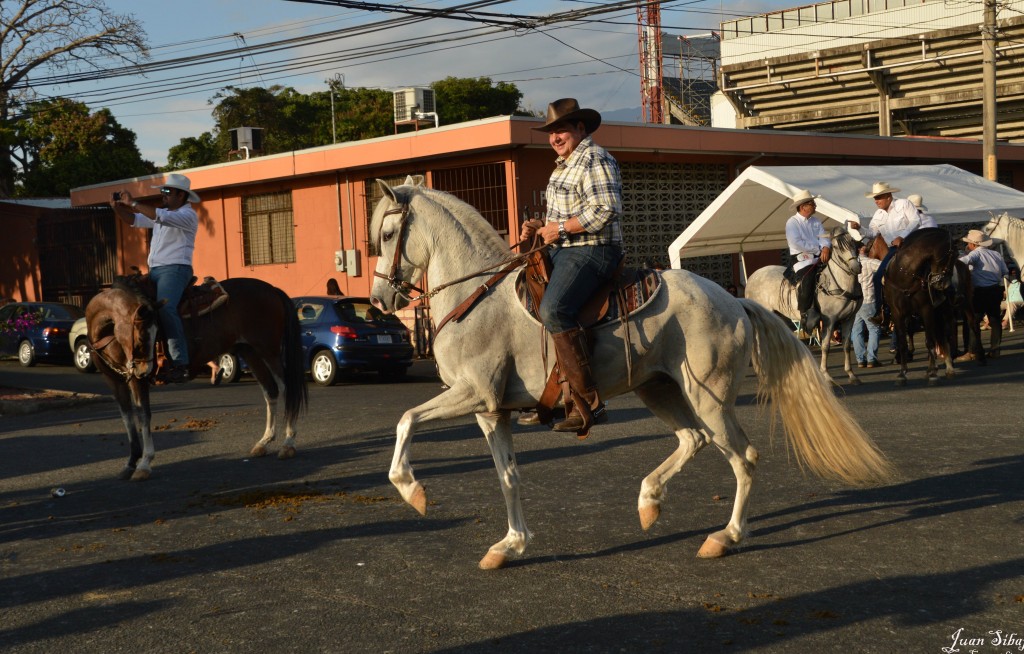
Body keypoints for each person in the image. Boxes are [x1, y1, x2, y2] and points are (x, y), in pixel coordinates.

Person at [519, 98, 624, 434]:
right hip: (565, 249)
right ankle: (549, 398)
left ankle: (588, 403)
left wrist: (559, 229)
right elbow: (559, 220)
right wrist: (539, 227)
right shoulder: (563, 165)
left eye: (561, 129)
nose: (555, 137)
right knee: (525, 298)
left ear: (581, 128)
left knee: (554, 310)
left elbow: (606, 209)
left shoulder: (594, 158)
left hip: (594, 250)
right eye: (551, 131)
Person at [111, 173, 200, 383]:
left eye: (167, 192)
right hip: (155, 271)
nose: (164, 195)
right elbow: (134, 220)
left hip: (176, 269)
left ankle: (181, 363)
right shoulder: (163, 214)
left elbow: (157, 215)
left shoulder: (187, 215)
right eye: (163, 191)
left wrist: (132, 202)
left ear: (181, 195)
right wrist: (118, 208)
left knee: (166, 308)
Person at [848, 182, 920, 324]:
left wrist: (902, 236)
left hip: (911, 245)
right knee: (877, 277)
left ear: (888, 196)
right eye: (875, 198)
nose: (876, 201)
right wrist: (859, 228)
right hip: (893, 250)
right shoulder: (878, 214)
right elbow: (872, 233)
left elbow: (916, 221)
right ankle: (882, 311)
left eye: (879, 197)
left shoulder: (904, 204)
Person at [956, 229, 1009, 361]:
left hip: (980, 292)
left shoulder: (976, 254)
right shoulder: (996, 254)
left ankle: (973, 351)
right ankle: (995, 349)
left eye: (968, 243)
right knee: (995, 320)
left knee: (973, 321)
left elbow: (962, 262)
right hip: (995, 289)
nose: (967, 246)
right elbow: (1005, 271)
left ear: (973, 244)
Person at [784, 189, 831, 334]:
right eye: (812, 203)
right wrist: (818, 249)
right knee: (808, 277)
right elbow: (796, 243)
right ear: (803, 206)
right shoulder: (792, 222)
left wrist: (825, 247)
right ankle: (805, 313)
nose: (815, 205)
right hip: (801, 258)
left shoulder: (816, 221)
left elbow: (824, 236)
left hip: (819, 255)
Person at [851, 243, 882, 368]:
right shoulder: (869, 262)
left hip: (854, 301)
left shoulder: (850, 264)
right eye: (864, 246)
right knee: (874, 329)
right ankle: (871, 359)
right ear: (861, 249)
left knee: (856, 331)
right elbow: (885, 266)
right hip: (868, 300)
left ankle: (860, 360)